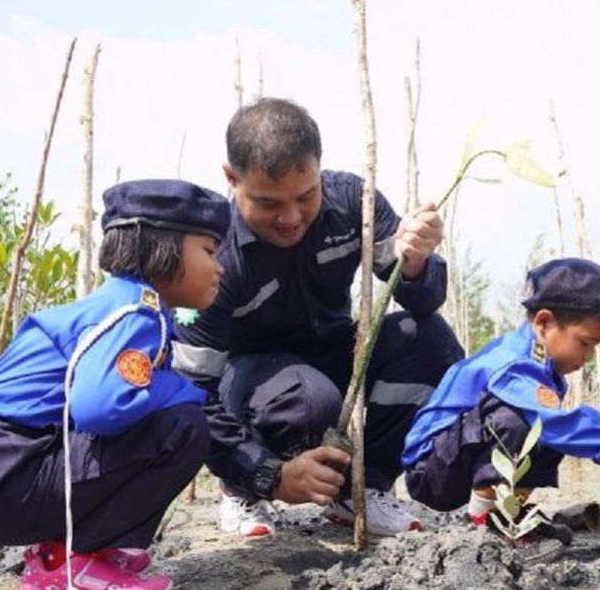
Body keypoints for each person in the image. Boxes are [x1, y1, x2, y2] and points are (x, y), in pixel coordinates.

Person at [173, 97, 464, 538]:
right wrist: (266, 473)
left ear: (319, 169)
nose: (291, 218)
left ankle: (362, 490)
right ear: (232, 180)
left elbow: (421, 299)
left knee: (430, 339)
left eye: (306, 197)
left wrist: (418, 261)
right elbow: (192, 391)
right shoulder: (216, 255)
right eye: (269, 203)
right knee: (309, 401)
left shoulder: (353, 202)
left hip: (334, 353)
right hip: (253, 379)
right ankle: (241, 491)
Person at [0, 179, 230, 590]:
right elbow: (102, 407)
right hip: (10, 470)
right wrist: (185, 390)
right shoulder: (137, 311)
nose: (220, 268)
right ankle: (69, 569)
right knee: (184, 426)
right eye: (210, 252)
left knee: (171, 416)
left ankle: (91, 551)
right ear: (163, 249)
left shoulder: (116, 305)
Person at [402, 258, 600, 539]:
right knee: (518, 420)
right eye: (585, 343)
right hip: (432, 469)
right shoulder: (515, 363)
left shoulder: (541, 366)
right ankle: (481, 519)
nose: (588, 357)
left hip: (456, 460)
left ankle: (505, 516)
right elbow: (553, 423)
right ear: (544, 322)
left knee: (546, 435)